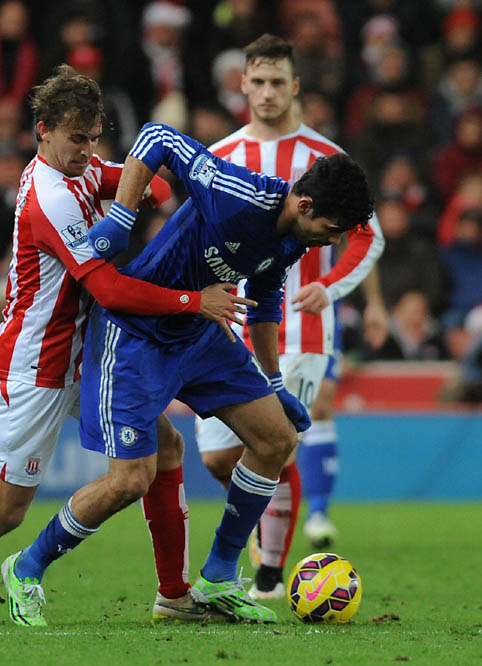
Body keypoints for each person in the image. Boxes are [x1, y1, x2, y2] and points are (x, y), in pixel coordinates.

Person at [0, 65, 249, 627]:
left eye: (93, 138)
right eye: (75, 138)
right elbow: (106, 287)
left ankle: (174, 594)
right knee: (1, 513)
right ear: (43, 131)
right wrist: (191, 301)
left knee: (166, 449)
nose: (86, 150)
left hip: (84, 360)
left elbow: (150, 182)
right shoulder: (48, 198)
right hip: (36, 367)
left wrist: (130, 196)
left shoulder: (79, 170)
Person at [0, 120, 374, 626]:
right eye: (331, 230)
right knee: (130, 479)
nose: (329, 241)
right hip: (136, 334)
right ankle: (27, 567)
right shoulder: (237, 194)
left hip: (199, 329)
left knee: (276, 438)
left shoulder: (294, 239)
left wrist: (274, 383)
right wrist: (124, 216)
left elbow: (263, 306)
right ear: (305, 205)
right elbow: (156, 137)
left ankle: (219, 577)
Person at [194, 33, 386, 599]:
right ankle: (266, 536)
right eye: (259, 81)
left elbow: (366, 239)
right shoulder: (223, 155)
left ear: (295, 86)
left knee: (274, 444)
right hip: (228, 328)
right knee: (217, 458)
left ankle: (270, 576)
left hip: (299, 327)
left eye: (279, 81)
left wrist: (329, 285)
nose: (269, 92)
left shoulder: (326, 159)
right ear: (244, 84)